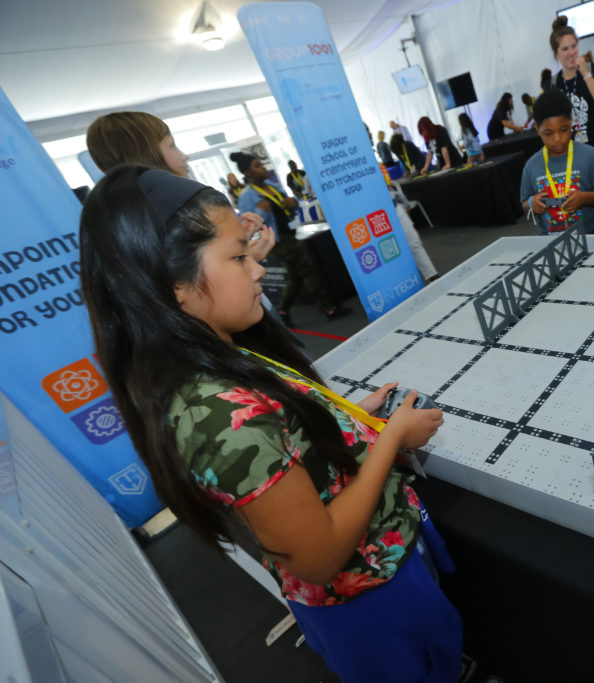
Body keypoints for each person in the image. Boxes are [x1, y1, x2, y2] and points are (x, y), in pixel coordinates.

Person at [78, 166, 459, 682]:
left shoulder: (221, 350)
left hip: (385, 561)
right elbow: (320, 556)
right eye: (237, 257)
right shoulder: (213, 414)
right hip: (366, 599)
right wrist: (390, 439)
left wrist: (351, 418)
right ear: (176, 288)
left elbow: (283, 435)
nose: (258, 268)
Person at [86, 111, 275, 261]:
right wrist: (245, 259)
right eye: (172, 146)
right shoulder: (184, 201)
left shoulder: (107, 219)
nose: (184, 155)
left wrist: (236, 243)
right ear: (147, 152)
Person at [233, 152, 344, 324]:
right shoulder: (246, 196)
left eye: (262, 164)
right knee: (308, 270)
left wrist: (293, 203)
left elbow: (288, 205)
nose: (263, 168)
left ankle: (283, 310)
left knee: (296, 275)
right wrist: (261, 211)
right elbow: (245, 226)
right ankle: (328, 308)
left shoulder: (271, 184)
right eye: (257, 166)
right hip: (276, 240)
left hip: (291, 231)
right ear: (247, 172)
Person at [519, 89, 594, 235]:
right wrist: (532, 204)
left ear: (571, 120)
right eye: (548, 133)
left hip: (592, 233)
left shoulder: (589, 155)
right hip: (552, 240)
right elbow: (525, 204)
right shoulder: (532, 166)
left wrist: (584, 198)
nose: (557, 139)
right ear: (538, 129)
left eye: (563, 130)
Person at [550, 16, 594, 168]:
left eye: (574, 46)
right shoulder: (552, 85)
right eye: (565, 49)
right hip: (572, 159)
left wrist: (585, 73)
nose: (571, 52)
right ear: (556, 54)